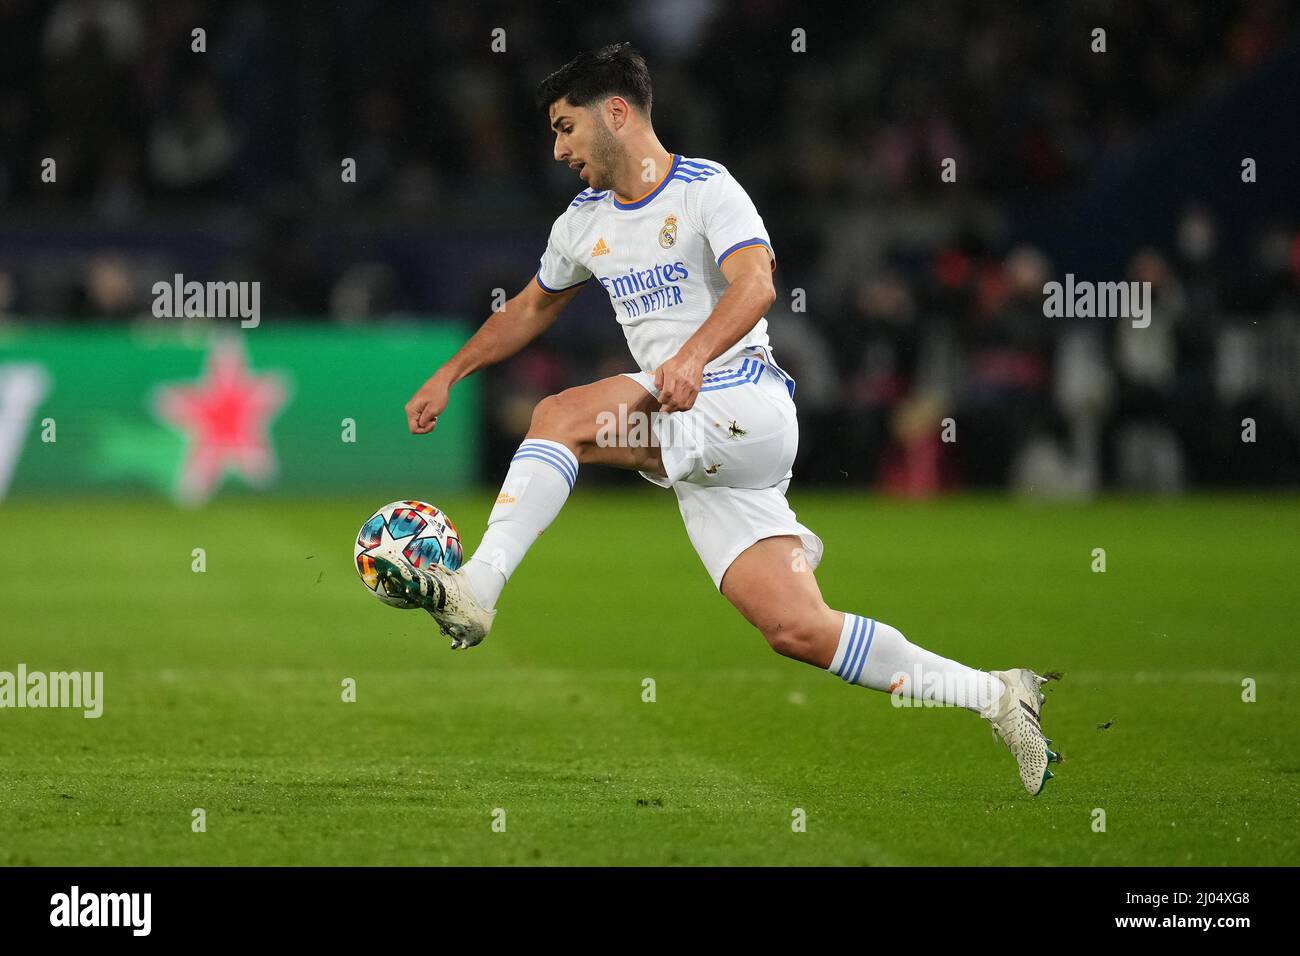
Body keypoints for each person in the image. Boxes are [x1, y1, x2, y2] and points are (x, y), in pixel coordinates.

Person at [383, 43, 1059, 795]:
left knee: (558, 414)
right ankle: (999, 695)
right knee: (797, 628)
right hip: (702, 448)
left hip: (743, 400)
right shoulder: (582, 221)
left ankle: (476, 590)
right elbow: (532, 308)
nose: (558, 148)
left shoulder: (707, 189)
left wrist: (695, 356)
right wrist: (451, 371)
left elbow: (758, 284)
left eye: (565, 126)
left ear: (616, 112)